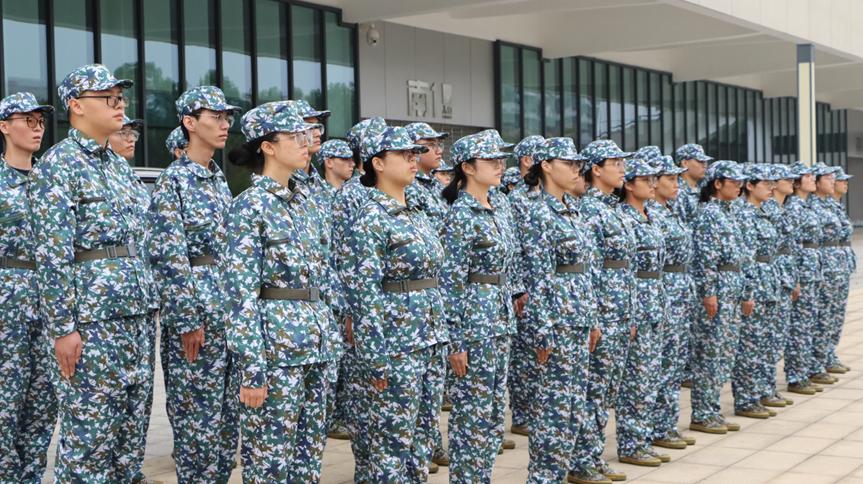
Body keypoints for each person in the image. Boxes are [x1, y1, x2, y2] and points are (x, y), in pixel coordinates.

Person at [29, 63, 152, 481]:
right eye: (108, 98)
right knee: (89, 441)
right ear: (76, 105)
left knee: (129, 442)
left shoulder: (118, 166)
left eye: (121, 98)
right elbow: (52, 253)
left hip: (135, 320)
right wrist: (63, 328)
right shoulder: (58, 165)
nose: (120, 106)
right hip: (92, 324)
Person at [223, 102, 340, 482]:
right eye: (295, 136)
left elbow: (322, 276)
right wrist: (252, 368)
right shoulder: (249, 206)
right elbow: (240, 296)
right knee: (269, 464)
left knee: (308, 462)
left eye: (307, 135)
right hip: (276, 354)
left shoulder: (305, 203)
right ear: (268, 146)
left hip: (316, 347)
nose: (306, 143)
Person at [341, 126, 445, 482]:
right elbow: (364, 294)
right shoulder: (371, 218)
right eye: (403, 155)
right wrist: (375, 357)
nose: (413, 160)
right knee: (391, 444)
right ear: (379, 163)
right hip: (396, 345)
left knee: (423, 440)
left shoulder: (417, 213)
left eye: (415, 154)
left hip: (429, 339)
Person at [148, 85, 241, 482]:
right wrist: (187, 319)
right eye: (215, 117)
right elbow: (168, 255)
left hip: (226, 316)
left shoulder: (218, 179)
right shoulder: (174, 181)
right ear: (189, 122)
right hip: (197, 320)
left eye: (227, 117)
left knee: (226, 426)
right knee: (196, 424)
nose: (225, 124)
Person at [438, 132, 519, 483]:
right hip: (475, 325)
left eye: (501, 159)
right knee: (472, 414)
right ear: (468, 168)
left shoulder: (497, 207)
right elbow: (451, 280)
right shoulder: (461, 214)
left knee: (492, 414)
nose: (500, 166)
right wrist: (456, 341)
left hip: (499, 320)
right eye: (491, 160)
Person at [518, 138, 597, 483]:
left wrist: (593, 319)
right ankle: (543, 477)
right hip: (555, 322)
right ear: (547, 166)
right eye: (569, 163)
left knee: (573, 406)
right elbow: (537, 278)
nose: (577, 170)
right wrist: (542, 330)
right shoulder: (538, 213)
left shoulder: (573, 210)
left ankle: (559, 473)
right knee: (553, 408)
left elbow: (586, 271)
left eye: (579, 164)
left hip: (578, 319)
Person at [570, 139, 636, 484]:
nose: (622, 169)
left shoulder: (613, 207)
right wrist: (595, 317)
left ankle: (593, 456)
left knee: (607, 389)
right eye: (615, 163)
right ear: (596, 169)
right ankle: (582, 461)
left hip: (619, 308)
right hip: (604, 311)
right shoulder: (591, 210)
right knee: (594, 390)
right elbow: (591, 270)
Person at [0, 92, 56, 483]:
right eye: (28, 121)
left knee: (42, 406)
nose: (37, 129)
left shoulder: (50, 183)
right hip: (7, 305)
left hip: (48, 302)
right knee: (6, 404)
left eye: (41, 122)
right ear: (4, 127)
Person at [330, 116, 388, 482]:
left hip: (397, 312)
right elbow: (341, 257)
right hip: (363, 308)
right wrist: (351, 310)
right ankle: (368, 469)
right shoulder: (351, 195)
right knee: (364, 394)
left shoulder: (397, 192)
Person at [614, 157, 668, 467]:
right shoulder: (624, 218)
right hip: (637, 301)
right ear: (629, 185)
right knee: (636, 377)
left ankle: (644, 439)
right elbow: (627, 270)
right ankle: (632, 443)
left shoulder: (650, 215)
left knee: (650, 375)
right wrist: (631, 312)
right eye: (646, 180)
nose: (652, 184)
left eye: (653, 179)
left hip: (655, 300)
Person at [688, 160, 748, 434]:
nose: (739, 187)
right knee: (710, 354)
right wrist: (709, 293)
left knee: (724, 353)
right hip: (718, 291)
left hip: (731, 288)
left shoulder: (729, 211)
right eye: (734, 182)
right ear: (718, 184)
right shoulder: (709, 214)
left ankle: (712, 410)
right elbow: (705, 259)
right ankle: (702, 413)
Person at [645, 153, 697, 450]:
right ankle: (654, 427)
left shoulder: (671, 210)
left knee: (674, 363)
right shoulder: (650, 213)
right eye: (670, 178)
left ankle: (666, 425)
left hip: (679, 291)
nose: (676, 183)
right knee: (660, 365)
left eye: (678, 178)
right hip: (663, 290)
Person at [731, 164, 781, 420]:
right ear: (749, 186)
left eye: (773, 184)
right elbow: (745, 257)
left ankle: (762, 391)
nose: (771, 188)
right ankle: (746, 399)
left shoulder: (764, 212)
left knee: (765, 342)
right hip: (754, 284)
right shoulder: (743, 214)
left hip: (767, 282)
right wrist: (747, 292)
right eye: (765, 183)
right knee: (749, 345)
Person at [507, 135, 547, 439]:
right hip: (527, 285)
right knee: (524, 355)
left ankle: (538, 409)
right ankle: (522, 414)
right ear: (527, 160)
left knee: (542, 352)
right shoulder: (518, 198)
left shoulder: (548, 196)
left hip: (546, 285)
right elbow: (515, 247)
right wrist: (518, 287)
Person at [760, 164, 799, 409]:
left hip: (780, 275)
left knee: (776, 336)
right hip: (770, 277)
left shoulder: (781, 208)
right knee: (767, 339)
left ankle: (768, 387)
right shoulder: (767, 210)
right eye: (786, 179)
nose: (791, 182)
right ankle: (762, 390)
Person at [783, 161, 823, 396]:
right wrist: (795, 277)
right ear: (797, 183)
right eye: (807, 177)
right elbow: (793, 246)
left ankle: (804, 371)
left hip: (811, 271)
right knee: (799, 326)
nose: (812, 180)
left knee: (807, 324)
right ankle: (797, 376)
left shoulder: (806, 206)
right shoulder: (794, 208)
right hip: (803, 272)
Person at [810, 163, 843, 386]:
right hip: (823, 265)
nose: (834, 182)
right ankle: (816, 364)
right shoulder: (812, 206)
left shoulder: (830, 204)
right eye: (828, 179)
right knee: (821, 318)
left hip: (835, 264)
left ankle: (827, 357)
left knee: (833, 316)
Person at [825, 167, 855, 373]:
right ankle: (823, 357)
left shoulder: (837, 206)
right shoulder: (824, 206)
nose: (845, 184)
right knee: (827, 315)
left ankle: (830, 354)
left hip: (841, 263)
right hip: (830, 265)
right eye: (841, 180)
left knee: (837, 314)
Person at [673, 144, 713, 224]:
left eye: (705, 161)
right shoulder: (677, 191)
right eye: (700, 161)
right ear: (685, 163)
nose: (705, 165)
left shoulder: (703, 189)